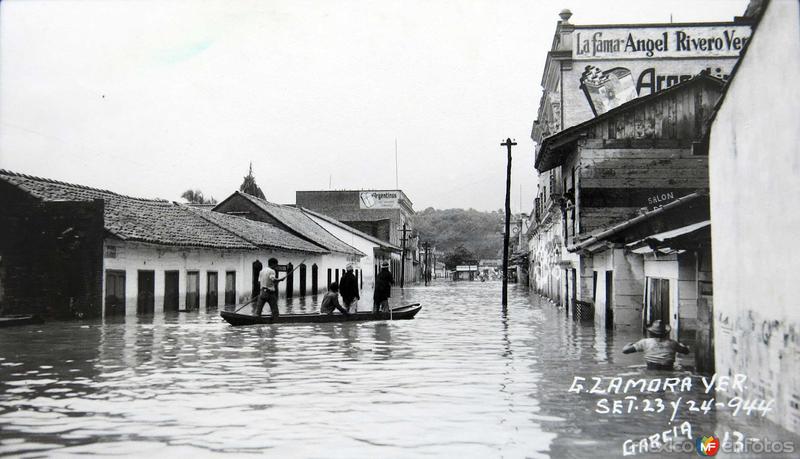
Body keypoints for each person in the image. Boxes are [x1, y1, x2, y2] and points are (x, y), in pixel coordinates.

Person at [622, 320, 690, 370]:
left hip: (651, 370)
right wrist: (683, 345)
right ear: (666, 333)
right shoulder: (673, 343)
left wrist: (629, 344)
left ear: (651, 333)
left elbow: (625, 351)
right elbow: (686, 351)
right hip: (668, 370)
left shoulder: (644, 342)